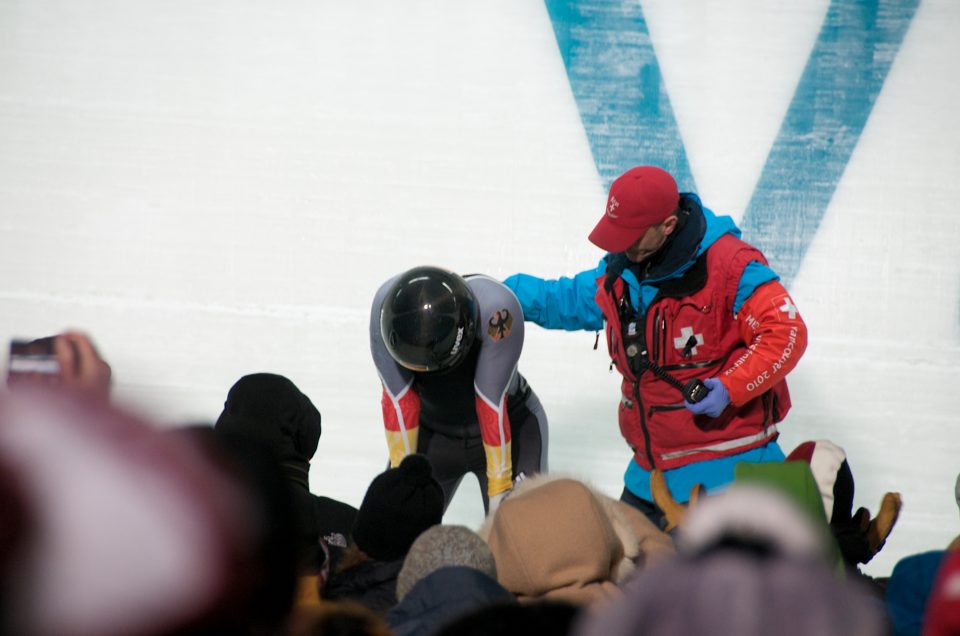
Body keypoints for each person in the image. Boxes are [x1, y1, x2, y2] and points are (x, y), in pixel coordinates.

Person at [504, 166, 808, 526]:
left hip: (730, 475)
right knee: (619, 571)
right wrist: (499, 294)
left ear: (667, 225)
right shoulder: (626, 266)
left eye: (631, 235)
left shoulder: (732, 266)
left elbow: (786, 333)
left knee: (688, 581)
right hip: (649, 478)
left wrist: (729, 388)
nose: (621, 245)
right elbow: (568, 299)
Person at [371, 266, 548, 513]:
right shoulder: (384, 308)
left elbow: (490, 403)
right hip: (434, 433)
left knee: (516, 532)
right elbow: (400, 401)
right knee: (399, 522)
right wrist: (405, 479)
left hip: (510, 421)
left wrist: (499, 489)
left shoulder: (498, 310)